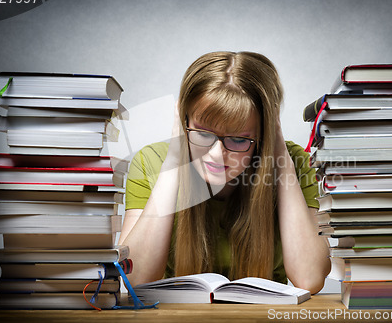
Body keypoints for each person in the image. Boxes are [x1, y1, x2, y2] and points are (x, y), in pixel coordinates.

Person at [119, 51, 330, 294]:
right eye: (203, 134)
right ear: (183, 120)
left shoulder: (297, 163)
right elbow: (135, 278)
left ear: (264, 134)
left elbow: (310, 278)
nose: (216, 155)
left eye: (239, 139)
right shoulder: (150, 162)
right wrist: (174, 160)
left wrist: (279, 155)